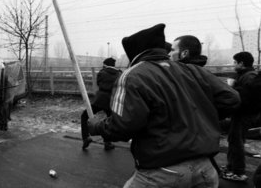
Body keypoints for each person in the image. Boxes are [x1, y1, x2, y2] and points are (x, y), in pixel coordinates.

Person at [87, 24, 240, 187]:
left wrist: (96, 126)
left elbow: (123, 126)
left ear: (134, 52)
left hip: (162, 172)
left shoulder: (133, 75)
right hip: (205, 169)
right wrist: (203, 116)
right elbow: (232, 98)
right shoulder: (192, 70)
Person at [221, 52, 258, 181]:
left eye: (235, 62)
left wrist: (232, 87)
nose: (233, 64)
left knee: (237, 142)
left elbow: (247, 98)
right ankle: (231, 167)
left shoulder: (249, 76)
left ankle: (238, 172)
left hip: (244, 115)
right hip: (240, 114)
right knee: (233, 140)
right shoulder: (244, 75)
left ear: (241, 63)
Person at [82, 57, 121, 151]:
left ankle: (86, 137)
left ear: (105, 65)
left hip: (100, 99)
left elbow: (99, 83)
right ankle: (107, 143)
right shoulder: (119, 74)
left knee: (84, 116)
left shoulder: (102, 72)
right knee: (108, 121)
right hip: (111, 101)